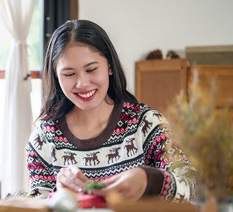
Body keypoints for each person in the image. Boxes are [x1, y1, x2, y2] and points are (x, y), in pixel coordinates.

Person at [26, 20, 194, 202]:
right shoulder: (42, 139)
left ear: (110, 66)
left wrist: (149, 180)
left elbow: (192, 186)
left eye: (91, 69)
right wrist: (58, 195)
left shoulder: (146, 125)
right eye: (69, 74)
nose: (82, 83)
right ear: (56, 77)